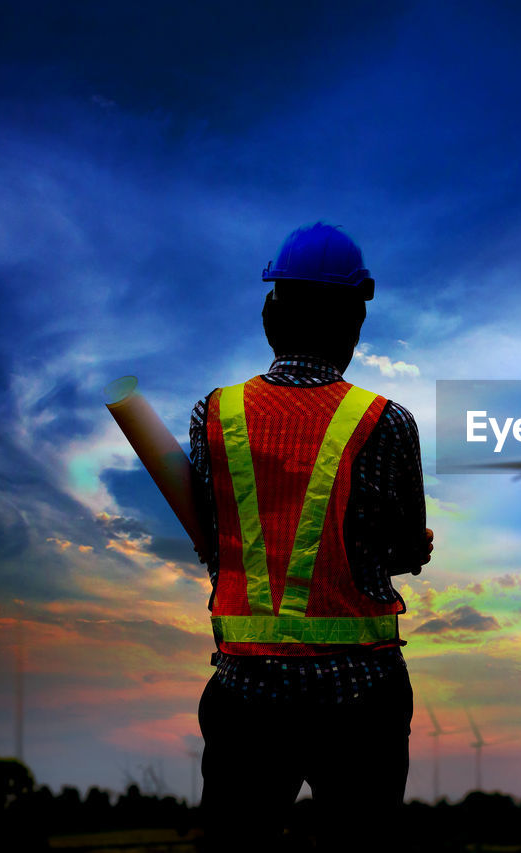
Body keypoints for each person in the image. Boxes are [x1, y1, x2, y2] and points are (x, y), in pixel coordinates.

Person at [188, 222, 432, 849]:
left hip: (245, 697)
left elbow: (213, 537)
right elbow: (404, 549)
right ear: (354, 322)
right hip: (362, 701)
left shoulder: (214, 414)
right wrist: (408, 552)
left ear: (271, 314)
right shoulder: (386, 421)